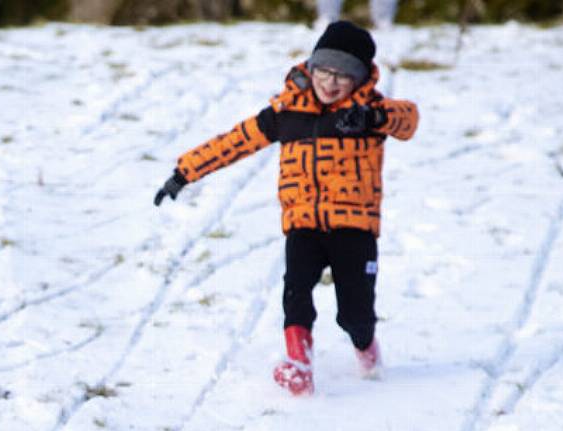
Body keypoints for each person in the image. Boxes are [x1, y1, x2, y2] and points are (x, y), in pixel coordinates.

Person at [153, 20, 419, 396]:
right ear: (311, 68)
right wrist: (184, 172)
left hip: (353, 226)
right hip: (303, 221)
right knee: (296, 291)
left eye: (343, 76)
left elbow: (408, 119)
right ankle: (299, 364)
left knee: (353, 314)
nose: (330, 83)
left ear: (359, 80)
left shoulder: (369, 112)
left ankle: (366, 346)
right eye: (324, 71)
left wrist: (374, 117)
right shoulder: (287, 111)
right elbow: (235, 141)